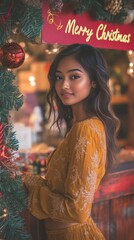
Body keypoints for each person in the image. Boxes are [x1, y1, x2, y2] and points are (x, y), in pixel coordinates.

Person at [24, 43, 119, 240]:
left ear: (93, 81)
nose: (63, 85)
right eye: (59, 77)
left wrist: (33, 184)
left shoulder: (86, 130)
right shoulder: (82, 126)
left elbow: (76, 210)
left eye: (74, 76)